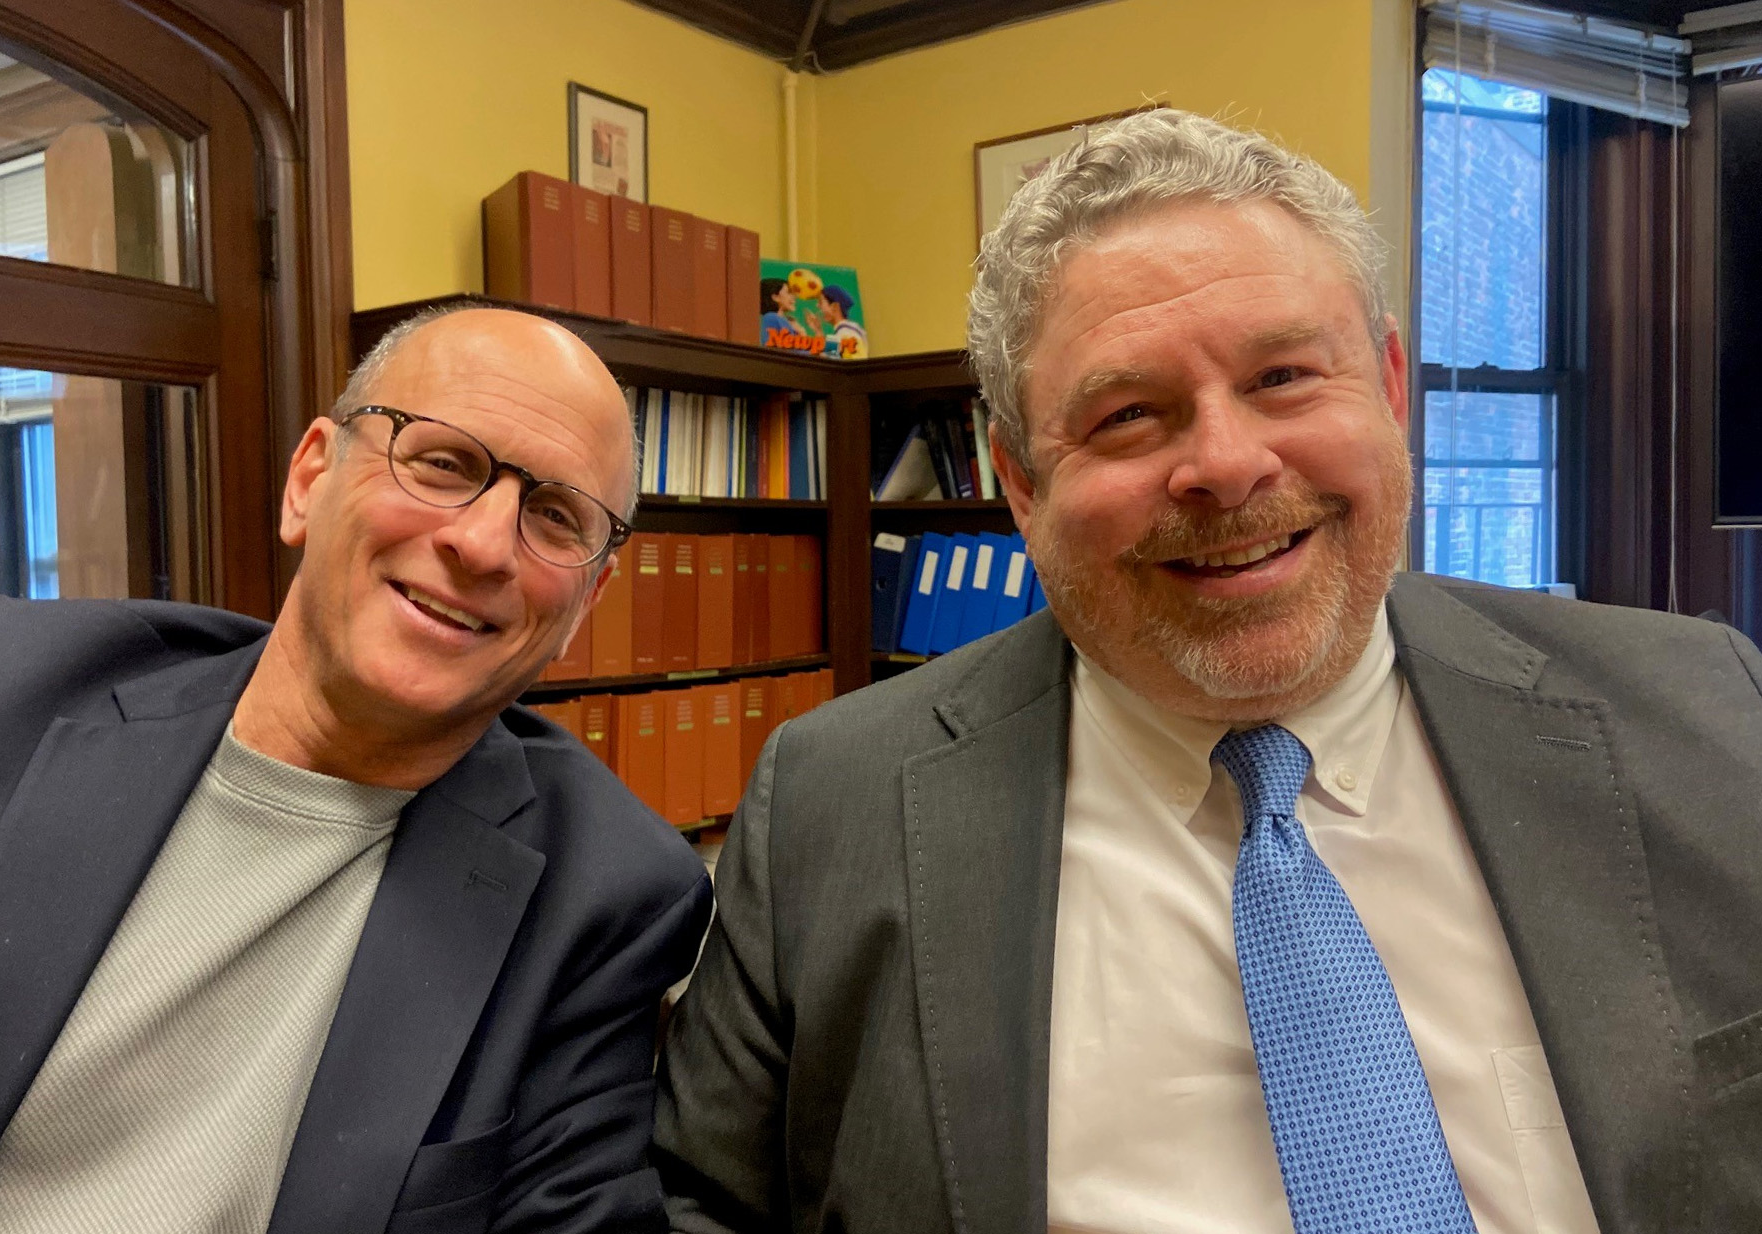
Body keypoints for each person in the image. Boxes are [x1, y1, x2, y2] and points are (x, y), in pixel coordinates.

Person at [653, 109, 1762, 1234]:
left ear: (1385, 383)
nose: (1227, 467)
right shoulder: (827, 806)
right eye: (1129, 415)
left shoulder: (1709, 712)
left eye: (1284, 374)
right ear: (1021, 481)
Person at [0, 304, 714, 1233]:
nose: (486, 545)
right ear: (310, 477)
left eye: (555, 516)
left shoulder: (604, 896)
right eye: (444, 462)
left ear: (587, 600)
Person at [816, 284, 868, 360]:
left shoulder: (844, 334)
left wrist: (818, 331)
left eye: (821, 302)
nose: (818, 306)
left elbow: (825, 361)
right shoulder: (853, 329)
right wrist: (818, 330)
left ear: (835, 307)